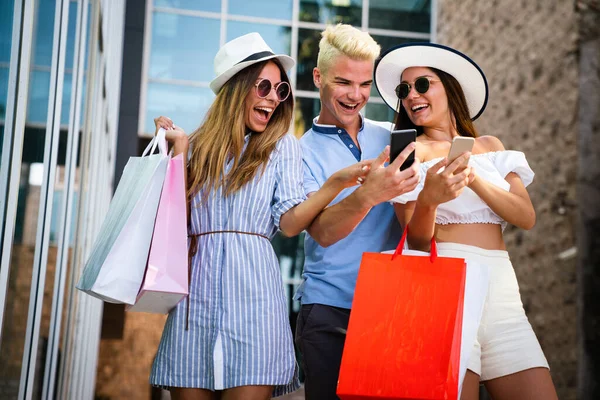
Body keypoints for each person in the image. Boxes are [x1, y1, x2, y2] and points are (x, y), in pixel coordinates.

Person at [149, 32, 375, 400]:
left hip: (256, 300)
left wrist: (334, 184)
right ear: (238, 88)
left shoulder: (283, 146)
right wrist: (176, 153)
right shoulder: (197, 146)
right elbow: (175, 222)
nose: (273, 97)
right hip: (196, 301)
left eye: (280, 90)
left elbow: (288, 223)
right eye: (264, 86)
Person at [374, 42, 558, 399]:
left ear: (448, 86)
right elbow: (416, 242)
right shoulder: (408, 153)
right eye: (404, 90)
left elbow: (526, 216)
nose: (412, 95)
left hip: (504, 295)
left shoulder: (489, 146)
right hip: (446, 290)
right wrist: (429, 197)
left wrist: (473, 176)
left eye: (422, 84)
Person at [294, 24, 421, 400]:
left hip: (392, 307)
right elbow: (322, 232)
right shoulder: (298, 153)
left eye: (365, 84)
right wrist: (368, 195)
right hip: (329, 311)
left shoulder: (392, 136)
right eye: (343, 82)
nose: (355, 95)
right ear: (318, 77)